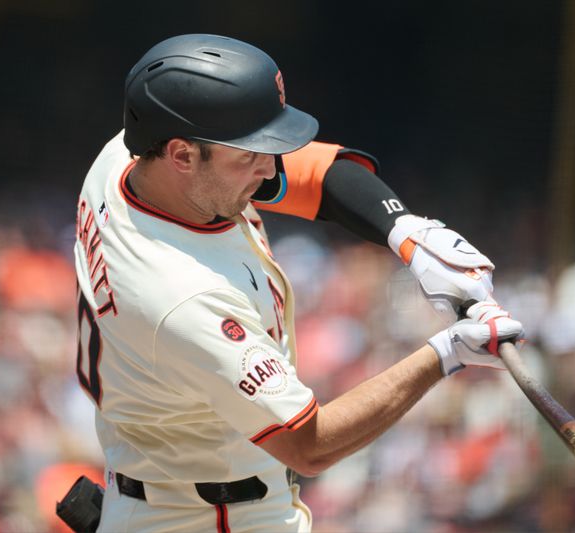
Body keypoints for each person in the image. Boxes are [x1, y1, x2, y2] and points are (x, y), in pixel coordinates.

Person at [73, 33, 523, 533]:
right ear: (181, 155)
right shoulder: (180, 296)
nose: (268, 167)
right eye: (249, 154)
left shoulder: (129, 158)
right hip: (206, 518)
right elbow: (310, 444)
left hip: (164, 489)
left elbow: (317, 173)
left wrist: (407, 232)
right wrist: (447, 353)